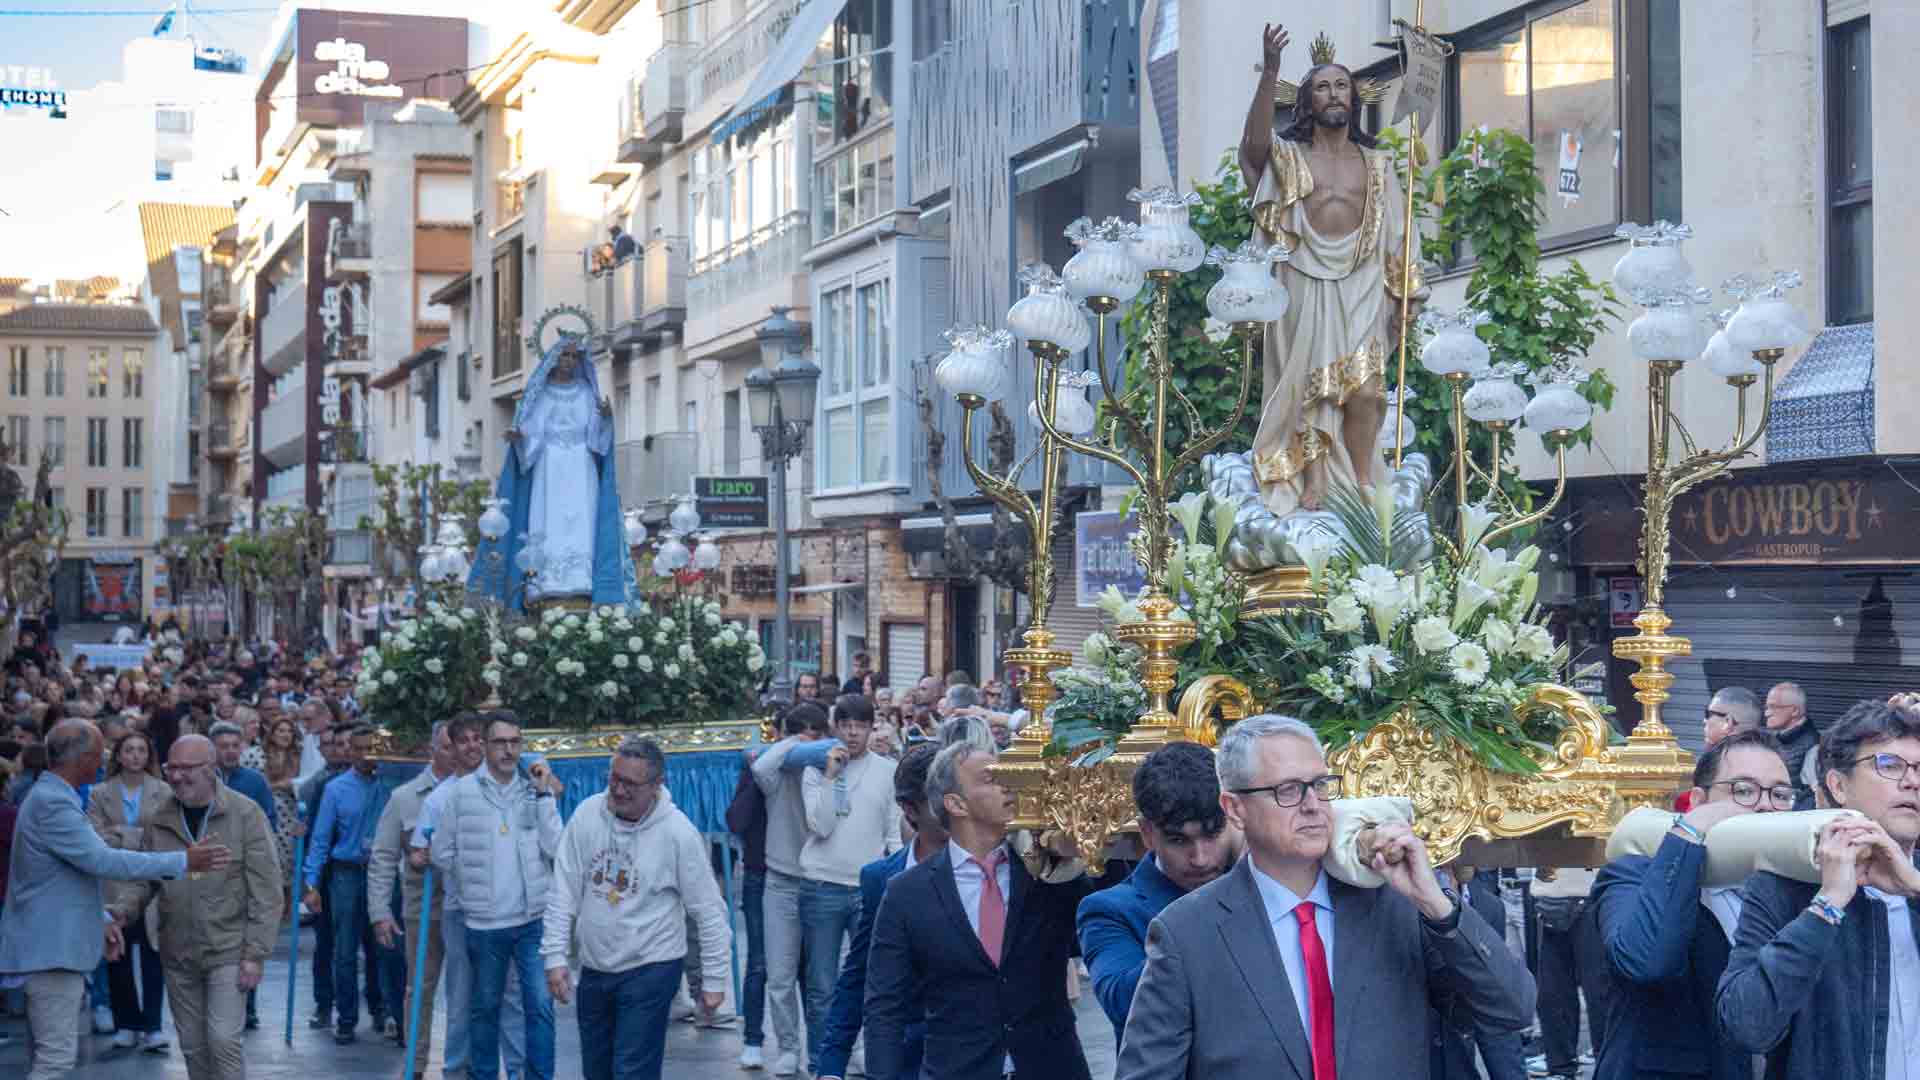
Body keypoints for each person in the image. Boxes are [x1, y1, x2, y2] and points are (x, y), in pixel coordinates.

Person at [1115, 714, 1534, 1080]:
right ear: (1235, 808)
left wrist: (1437, 904)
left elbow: (1511, 1010)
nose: (1313, 805)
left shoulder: (1396, 906)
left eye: (1319, 785)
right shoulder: (1186, 933)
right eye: (1288, 791)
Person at [1238, 23, 1423, 516]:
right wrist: (1270, 71)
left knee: (1364, 389)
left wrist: (1406, 293)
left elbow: (1401, 235)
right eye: (1322, 86)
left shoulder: (1379, 164)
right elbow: (1251, 152)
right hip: (1301, 277)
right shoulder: (1291, 158)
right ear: (1307, 102)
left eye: (1341, 84)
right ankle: (1313, 481)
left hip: (1362, 282)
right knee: (1306, 389)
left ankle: (1362, 479)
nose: (1333, 93)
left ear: (1355, 98)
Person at [0, 719, 230, 1080]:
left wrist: (103, 920)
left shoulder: (52, 796)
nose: (104, 761)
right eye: (101, 754)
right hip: (51, 951)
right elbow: (103, 860)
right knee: (54, 1060)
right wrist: (184, 860)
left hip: (49, 946)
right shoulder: (52, 803)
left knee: (45, 1054)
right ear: (86, 758)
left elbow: (65, 881)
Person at [864, 740, 1094, 1080]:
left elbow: (1091, 925)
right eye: (990, 779)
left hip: (1053, 1067)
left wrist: (1072, 846)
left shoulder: (1044, 872)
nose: (1007, 784)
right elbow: (884, 1006)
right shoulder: (906, 893)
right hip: (956, 1070)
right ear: (956, 803)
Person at [1717, 698, 1920, 1078]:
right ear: (1838, 786)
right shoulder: (1787, 885)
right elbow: (1746, 1027)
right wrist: (1828, 904)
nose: (1913, 780)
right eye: (1890, 765)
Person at [1591, 729, 1792, 1080]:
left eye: (1780, 794)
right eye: (1743, 791)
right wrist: (1690, 831)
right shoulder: (1634, 875)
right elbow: (1646, 963)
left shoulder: (1794, 888)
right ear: (1699, 800)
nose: (1765, 805)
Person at [542, 737, 729, 1080]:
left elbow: (709, 910)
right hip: (596, 968)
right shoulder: (586, 815)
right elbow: (562, 891)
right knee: (596, 1071)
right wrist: (554, 956)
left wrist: (714, 979)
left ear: (657, 786)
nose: (618, 790)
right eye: (614, 779)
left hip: (651, 968)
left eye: (630, 783)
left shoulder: (678, 833)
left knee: (632, 1070)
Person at [108, 735, 282, 1080]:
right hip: (178, 950)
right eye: (172, 768)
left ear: (211, 769)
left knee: (223, 1040)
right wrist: (121, 910)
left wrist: (255, 954)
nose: (176, 776)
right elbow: (146, 878)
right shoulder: (159, 818)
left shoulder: (245, 813)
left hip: (230, 948)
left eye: (187, 769)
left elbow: (267, 890)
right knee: (192, 1045)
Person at [431, 712, 566, 1080]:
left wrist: (544, 797)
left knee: (540, 1006)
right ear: (486, 747)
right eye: (500, 743)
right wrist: (469, 882)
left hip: (531, 920)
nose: (508, 750)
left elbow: (557, 846)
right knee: (485, 1008)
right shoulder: (461, 793)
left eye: (515, 743)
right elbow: (440, 853)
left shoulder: (533, 789)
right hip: (484, 923)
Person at [1078, 742, 1242, 1041]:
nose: (1200, 858)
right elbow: (1122, 1003)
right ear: (1147, 834)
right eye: (1179, 841)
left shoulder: (1256, 881)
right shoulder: (1108, 910)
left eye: (1212, 835)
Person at [816, 742, 945, 1080]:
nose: (955, 806)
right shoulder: (882, 879)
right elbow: (861, 972)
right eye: (939, 798)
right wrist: (832, 1064)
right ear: (910, 809)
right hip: (909, 1057)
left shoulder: (997, 866)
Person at [414, 711, 528, 1080]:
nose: (473, 746)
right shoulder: (442, 797)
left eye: (479, 738)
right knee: (462, 996)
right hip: (461, 910)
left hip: (508, 911)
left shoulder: (515, 785)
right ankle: (457, 1070)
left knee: (510, 996)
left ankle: (517, 1069)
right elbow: (424, 850)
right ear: (451, 748)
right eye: (463, 740)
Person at [476, 339, 628, 610]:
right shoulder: (541, 393)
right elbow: (532, 431)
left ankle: (582, 579)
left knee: (582, 518)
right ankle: (545, 582)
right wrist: (519, 437)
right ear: (553, 358)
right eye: (564, 355)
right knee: (549, 518)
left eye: (574, 356)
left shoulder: (585, 391)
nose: (569, 361)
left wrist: (605, 418)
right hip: (550, 466)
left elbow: (596, 438)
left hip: (582, 466)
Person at [797, 694, 901, 1074]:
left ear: (872, 727)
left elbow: (893, 830)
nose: (853, 732)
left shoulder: (888, 770)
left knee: (869, 979)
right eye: (846, 725)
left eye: (860, 725)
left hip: (867, 887)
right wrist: (829, 777)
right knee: (821, 983)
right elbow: (820, 825)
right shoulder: (815, 769)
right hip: (820, 884)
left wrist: (897, 878)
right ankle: (821, 1060)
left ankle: (859, 1052)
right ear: (835, 727)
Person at [368, 716, 470, 1071]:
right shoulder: (405, 797)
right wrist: (380, 911)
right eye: (446, 746)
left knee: (466, 990)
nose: (454, 753)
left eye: (457, 745)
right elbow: (382, 857)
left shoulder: (475, 791)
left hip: (467, 909)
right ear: (433, 749)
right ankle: (415, 1062)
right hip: (422, 909)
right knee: (420, 988)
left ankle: (465, 1064)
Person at [750, 700, 833, 1076]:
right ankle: (787, 1047)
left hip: (822, 880)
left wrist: (819, 754)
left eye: (817, 734)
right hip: (781, 880)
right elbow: (761, 766)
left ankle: (826, 1049)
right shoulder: (778, 774)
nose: (811, 742)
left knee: (823, 978)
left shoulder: (831, 768)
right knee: (780, 974)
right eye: (805, 733)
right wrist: (793, 745)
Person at [301, 724, 390, 1044]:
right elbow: (321, 839)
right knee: (345, 948)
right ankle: (347, 1018)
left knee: (382, 943)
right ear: (350, 751)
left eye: (373, 748)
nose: (367, 755)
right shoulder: (336, 789)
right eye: (360, 748)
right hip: (346, 873)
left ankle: (383, 1008)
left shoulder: (389, 785)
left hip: (382, 870)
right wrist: (310, 883)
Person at [88, 730, 172, 1052]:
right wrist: (138, 838)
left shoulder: (163, 790)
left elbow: (162, 836)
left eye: (141, 749)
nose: (135, 755)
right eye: (129, 750)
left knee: (153, 958)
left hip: (151, 884)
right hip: (112, 883)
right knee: (117, 956)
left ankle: (152, 1026)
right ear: (118, 755)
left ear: (148, 755)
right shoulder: (99, 793)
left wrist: (122, 836)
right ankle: (126, 1024)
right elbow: (96, 837)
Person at [724, 712, 787, 1071]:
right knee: (760, 962)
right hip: (760, 873)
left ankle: (804, 1044)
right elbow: (736, 820)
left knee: (807, 965)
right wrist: (755, 778)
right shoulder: (755, 770)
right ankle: (752, 1039)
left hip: (798, 874)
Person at [1530, 861, 1611, 1080]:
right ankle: (1560, 1067)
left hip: (1591, 893)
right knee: (1551, 993)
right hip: (1548, 896)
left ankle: (1607, 1067)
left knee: (1599, 993)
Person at [1764, 681, 1819, 809]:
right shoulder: (1775, 738)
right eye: (1766, 707)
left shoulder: (1813, 747)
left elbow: (1816, 797)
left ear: (1794, 711)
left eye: (1773, 707)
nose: (1767, 713)